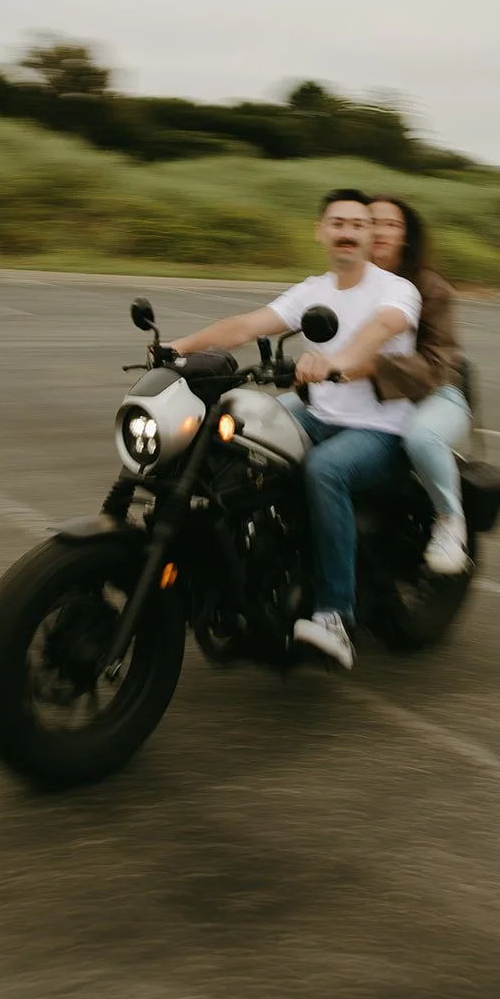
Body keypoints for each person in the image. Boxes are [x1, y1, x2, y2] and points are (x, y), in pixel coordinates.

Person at [167, 189, 421, 670]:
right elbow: (246, 325)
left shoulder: (395, 290)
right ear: (321, 231)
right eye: (337, 223)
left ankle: (334, 618)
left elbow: (380, 331)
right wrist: (177, 349)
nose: (347, 232)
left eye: (358, 224)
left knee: (325, 472)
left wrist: (335, 361)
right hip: (319, 415)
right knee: (234, 433)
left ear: (371, 235)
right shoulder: (313, 290)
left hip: (381, 429)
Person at [330, 197, 471, 575]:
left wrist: (370, 367)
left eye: (390, 224)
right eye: (370, 221)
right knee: (277, 419)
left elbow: (439, 363)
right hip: (364, 391)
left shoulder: (431, 288)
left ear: (406, 236)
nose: (378, 230)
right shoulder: (351, 282)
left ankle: (450, 522)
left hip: (436, 392)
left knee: (422, 439)